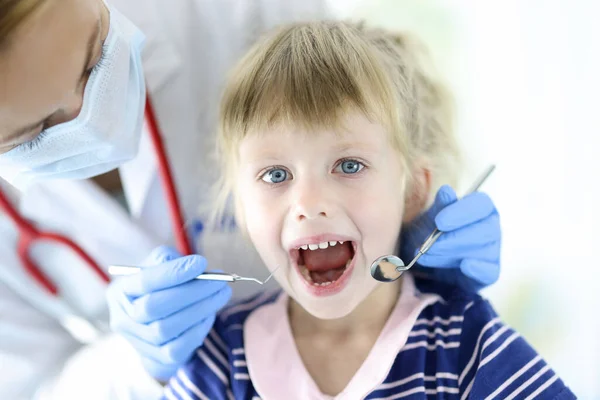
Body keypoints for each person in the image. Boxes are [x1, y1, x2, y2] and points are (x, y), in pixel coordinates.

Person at [0, 0, 500, 398]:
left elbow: (370, 115)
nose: (82, 111)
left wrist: (404, 229)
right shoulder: (212, 376)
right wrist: (138, 364)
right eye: (35, 128)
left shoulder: (465, 347)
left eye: (91, 59)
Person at [163, 21, 575, 399]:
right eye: (275, 175)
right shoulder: (219, 360)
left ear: (412, 192)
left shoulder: (467, 345)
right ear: (241, 207)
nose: (308, 204)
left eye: (348, 165)